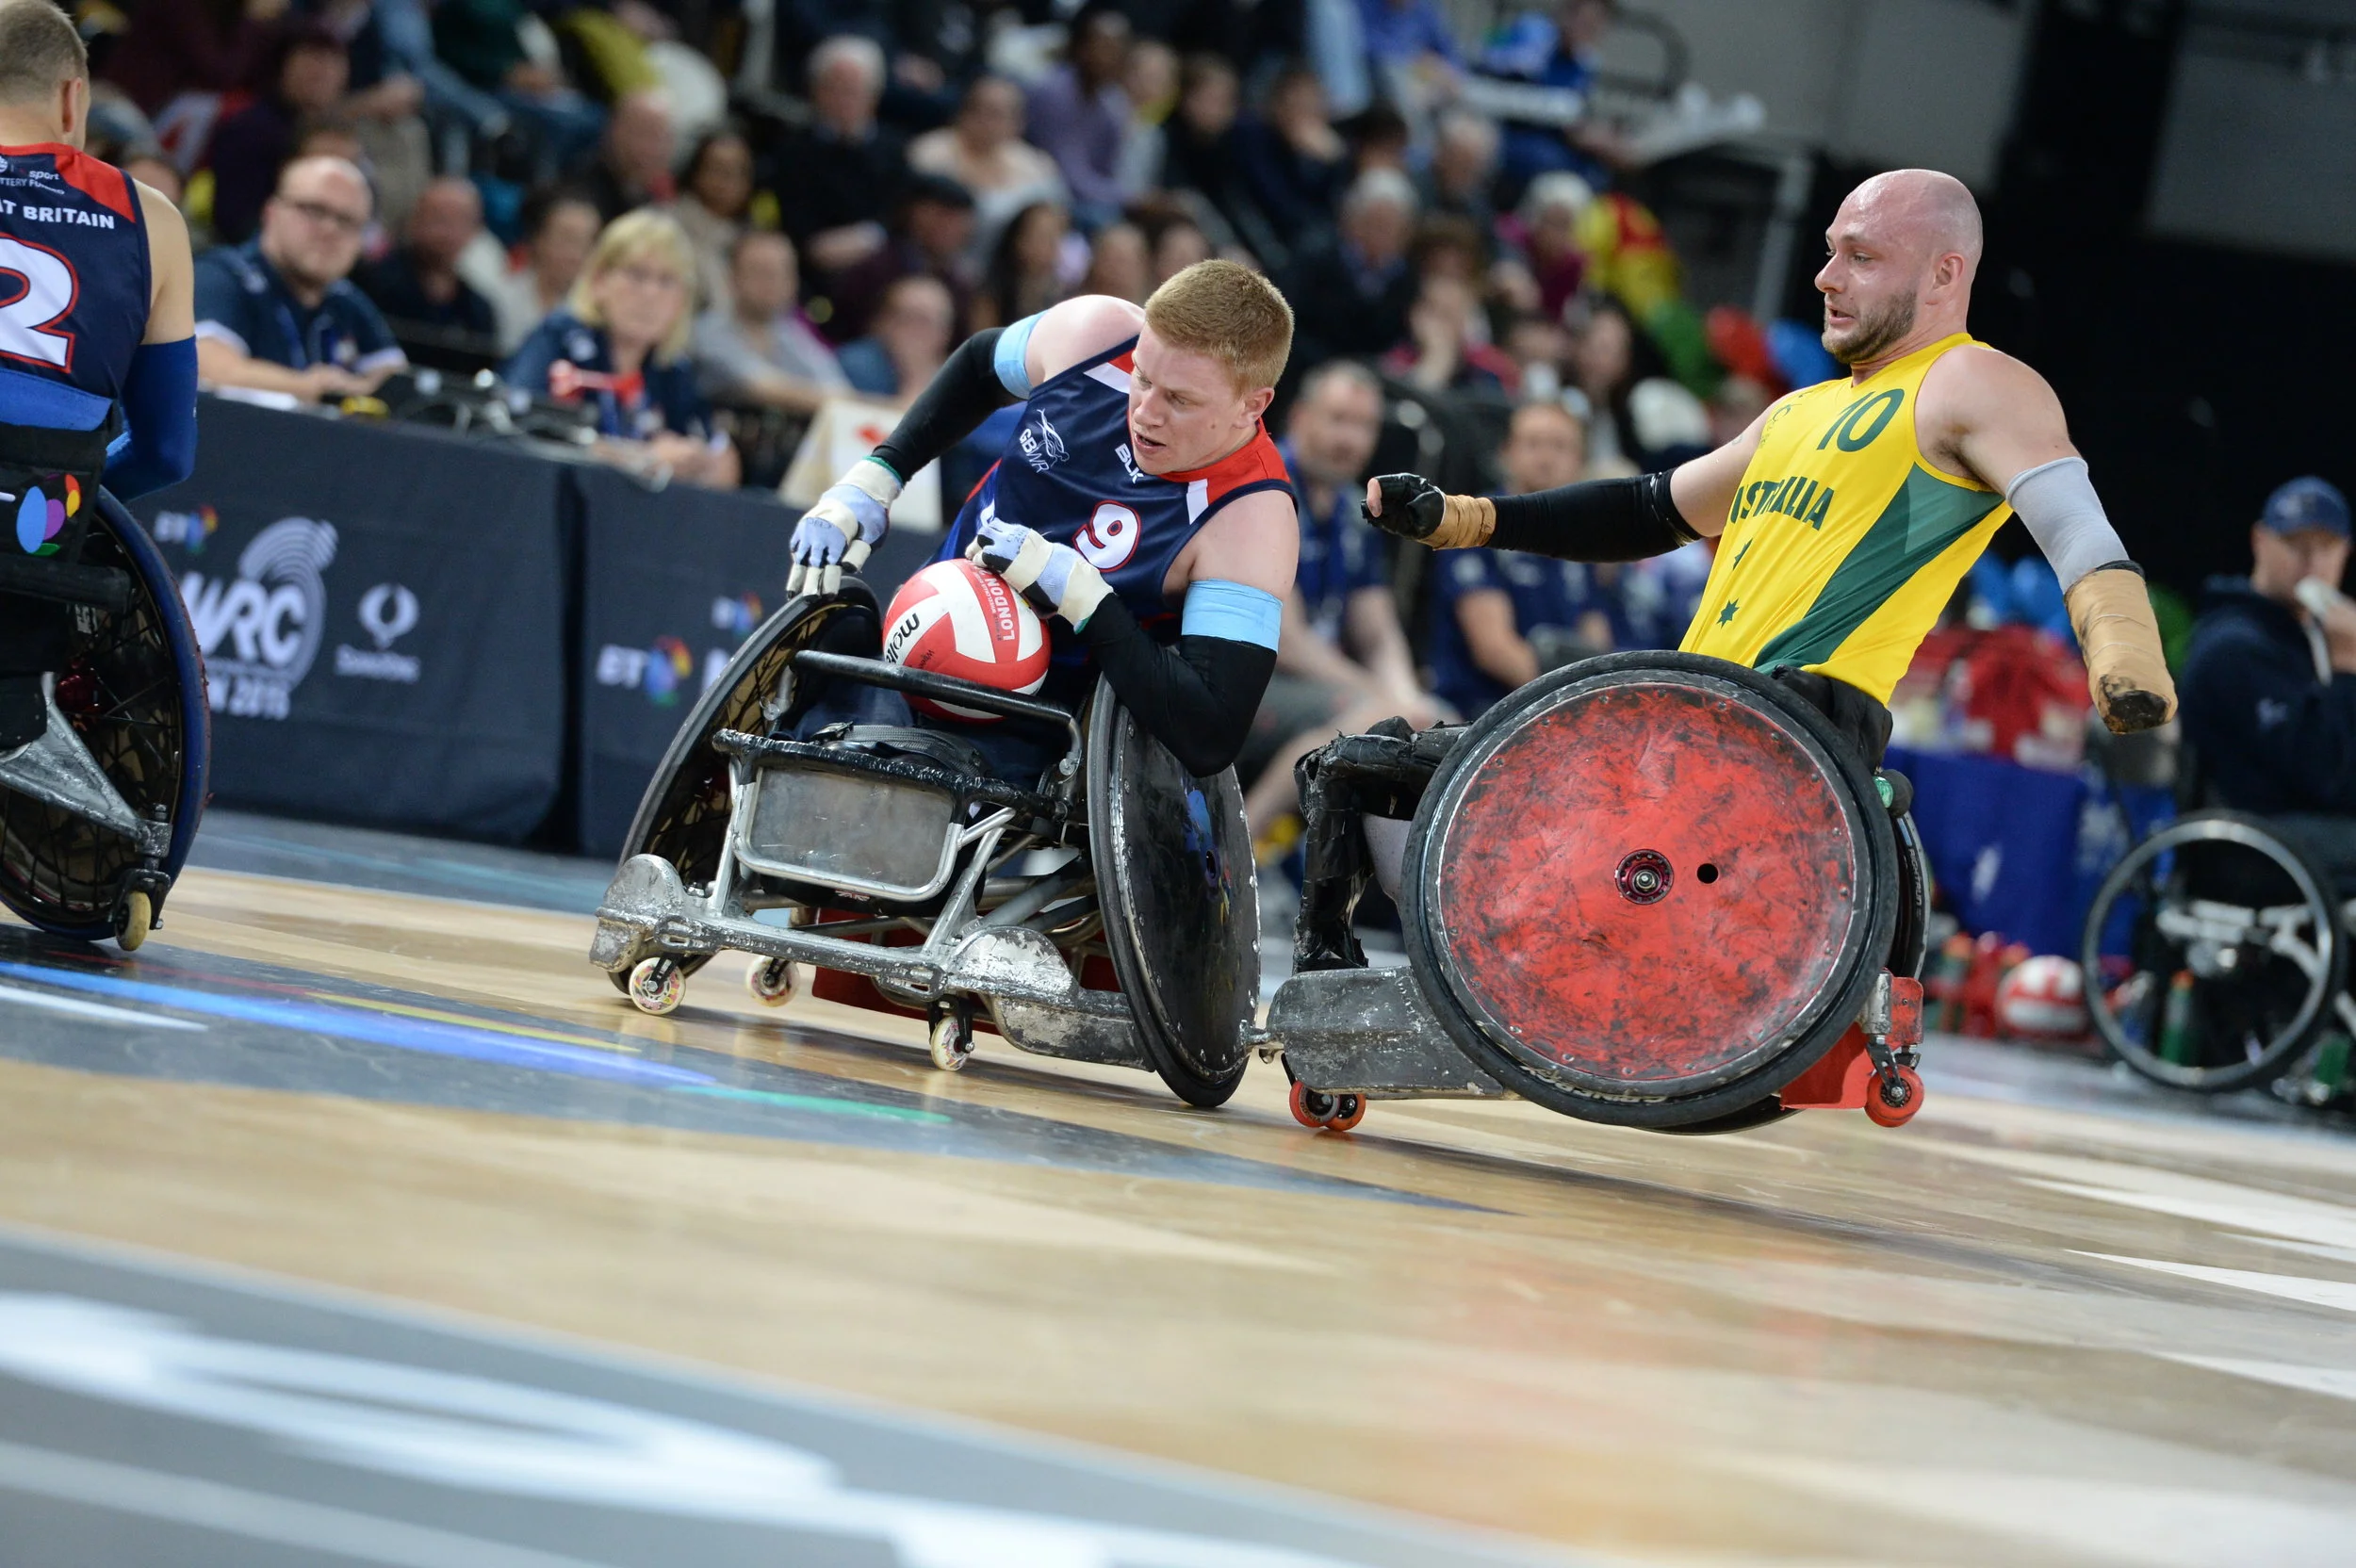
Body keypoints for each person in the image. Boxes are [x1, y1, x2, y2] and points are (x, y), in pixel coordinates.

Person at [1307, 168, 2177, 969]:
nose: (1826, 278)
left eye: (1862, 257)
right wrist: (1470, 519)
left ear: (1946, 275)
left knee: (1371, 772)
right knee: (1367, 768)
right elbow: (1647, 510)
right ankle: (1392, 978)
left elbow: (2075, 525)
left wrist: (2125, 654)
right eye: (1829, 252)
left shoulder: (1971, 382)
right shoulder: (1800, 411)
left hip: (1791, 721)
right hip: (1698, 717)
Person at [783, 261, 1299, 781]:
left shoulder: (1251, 519)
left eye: (1181, 400)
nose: (1145, 411)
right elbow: (981, 363)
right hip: (918, 630)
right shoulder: (1095, 334)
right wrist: (876, 478)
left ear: (1251, 406)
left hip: (1039, 723)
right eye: (1143, 377)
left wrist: (1087, 601)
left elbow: (1210, 735)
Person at [0, 0, 199, 752]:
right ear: (72, 97)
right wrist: (71, 504)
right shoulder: (151, 219)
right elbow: (168, 452)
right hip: (33, 542)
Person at [1243, 363, 1443, 837]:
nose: (1351, 439)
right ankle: (1241, 844)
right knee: (1371, 719)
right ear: (1300, 418)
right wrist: (1383, 699)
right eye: (1338, 420)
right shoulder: (1268, 488)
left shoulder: (1354, 512)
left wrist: (1407, 698)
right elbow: (1286, 643)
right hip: (1251, 678)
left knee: (1439, 726)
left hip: (1316, 684)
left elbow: (1378, 635)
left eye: (1364, 425)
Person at [2179, 478, 2356, 888]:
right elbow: (2323, 770)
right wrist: (2347, 668)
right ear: (2261, 541)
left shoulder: (2307, 637)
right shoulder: (2233, 646)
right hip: (2252, 841)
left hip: (2307, 826)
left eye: (2327, 546)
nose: (2313, 562)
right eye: (2297, 544)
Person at [501, 208, 739, 488]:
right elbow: (512, 425)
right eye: (637, 275)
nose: (650, 294)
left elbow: (723, 462)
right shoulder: (560, 337)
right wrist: (643, 458)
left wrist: (699, 464)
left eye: (666, 281)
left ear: (681, 301)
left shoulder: (672, 368)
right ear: (600, 281)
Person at [1428, 400, 1624, 719]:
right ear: (1506, 453)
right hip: (1475, 711)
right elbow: (1493, 649)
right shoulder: (1476, 525)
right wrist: (1573, 706)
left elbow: (1596, 639)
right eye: (1533, 444)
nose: (1545, 458)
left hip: (1553, 708)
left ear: (1579, 461)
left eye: (1560, 447)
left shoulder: (1583, 535)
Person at [193, 156, 408, 401]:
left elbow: (401, 388)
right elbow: (208, 369)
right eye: (315, 210)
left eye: (347, 220)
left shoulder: (345, 299)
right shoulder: (222, 275)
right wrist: (317, 388)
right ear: (271, 212)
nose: (330, 229)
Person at [205, 23, 352, 245]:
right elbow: (234, 221)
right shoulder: (249, 130)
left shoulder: (347, 136)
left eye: (331, 63)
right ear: (283, 66)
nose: (320, 72)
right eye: (310, 60)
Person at [772, 36, 906, 278]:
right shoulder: (792, 148)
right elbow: (790, 212)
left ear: (873, 96)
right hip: (807, 264)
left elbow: (900, 213)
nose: (843, 99)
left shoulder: (895, 150)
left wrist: (870, 237)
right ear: (815, 92)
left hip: (877, 266)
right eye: (832, 88)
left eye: (852, 90)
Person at [908, 75, 1064, 267]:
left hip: (1008, 273)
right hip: (937, 262)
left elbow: (1054, 222)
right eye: (977, 110)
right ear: (962, 112)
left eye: (996, 114)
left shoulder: (1037, 166)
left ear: (1018, 123)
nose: (986, 121)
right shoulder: (930, 152)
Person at [692, 230, 848, 416]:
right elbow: (768, 388)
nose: (775, 281)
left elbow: (838, 388)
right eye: (762, 271)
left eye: (785, 271)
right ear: (732, 278)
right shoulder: (707, 333)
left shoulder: (790, 332)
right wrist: (876, 406)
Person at [1282, 168, 1418, 368]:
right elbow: (1289, 325)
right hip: (1310, 370)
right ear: (1352, 219)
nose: (1383, 234)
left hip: (1376, 380)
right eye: (1376, 223)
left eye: (1392, 227)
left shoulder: (1406, 280)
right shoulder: (1314, 260)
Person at [355, 174, 498, 363]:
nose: (447, 232)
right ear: (415, 219)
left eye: (461, 220)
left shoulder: (478, 310)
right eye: (439, 218)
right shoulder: (370, 282)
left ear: (476, 230)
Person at [1025, 6, 1131, 230]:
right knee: (1106, 223)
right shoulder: (1053, 92)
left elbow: (1108, 170)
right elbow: (1067, 176)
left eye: (1119, 49)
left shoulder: (1112, 101)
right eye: (1105, 48)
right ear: (1081, 48)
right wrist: (1130, 199)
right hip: (1044, 192)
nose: (1114, 57)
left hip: (1091, 199)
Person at [665, 125, 757, 315]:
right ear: (696, 172)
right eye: (718, 169)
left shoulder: (753, 240)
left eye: (738, 171)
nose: (727, 181)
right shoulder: (664, 227)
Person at [837, 274, 955, 402]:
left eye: (925, 322)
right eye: (907, 318)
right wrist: (913, 377)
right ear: (883, 322)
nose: (914, 330)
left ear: (945, 334)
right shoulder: (856, 362)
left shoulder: (953, 374)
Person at [570, 90, 675, 224]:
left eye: (661, 138)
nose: (652, 149)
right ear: (613, 130)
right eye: (642, 133)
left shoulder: (655, 201)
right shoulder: (577, 200)